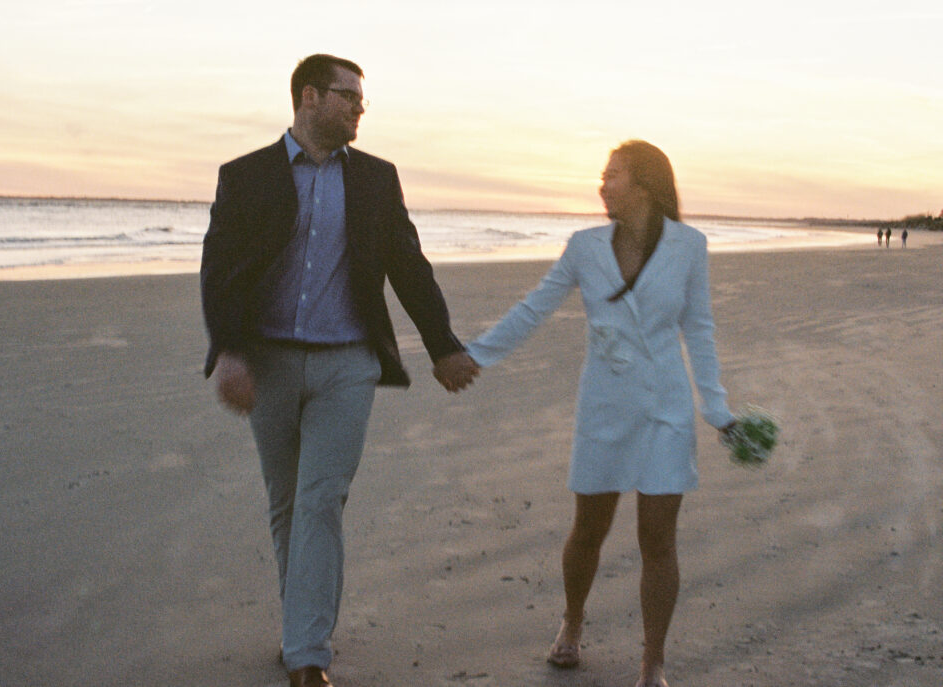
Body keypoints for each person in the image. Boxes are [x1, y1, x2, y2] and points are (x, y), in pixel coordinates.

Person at [200, 54, 478, 687]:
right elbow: (219, 271)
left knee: (322, 500)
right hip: (267, 362)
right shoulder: (245, 176)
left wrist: (443, 347)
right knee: (286, 504)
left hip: (348, 364)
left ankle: (307, 655)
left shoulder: (377, 180)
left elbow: (408, 265)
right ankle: (300, 628)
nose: (359, 107)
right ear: (307, 98)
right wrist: (232, 352)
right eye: (347, 95)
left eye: (362, 98)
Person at [465, 140, 735, 687]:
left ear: (644, 184)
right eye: (603, 174)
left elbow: (699, 329)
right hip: (605, 404)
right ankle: (571, 621)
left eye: (612, 174)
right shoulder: (584, 246)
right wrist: (474, 356)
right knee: (589, 529)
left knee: (657, 540)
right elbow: (534, 307)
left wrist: (717, 407)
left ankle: (652, 660)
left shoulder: (688, 246)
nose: (602, 184)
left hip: (665, 406)